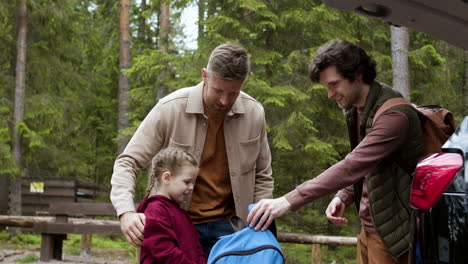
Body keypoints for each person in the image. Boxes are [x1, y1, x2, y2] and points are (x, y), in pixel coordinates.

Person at [247, 40, 425, 264]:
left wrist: (288, 200)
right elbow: (370, 163)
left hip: (394, 235)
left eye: (334, 85)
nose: (330, 94)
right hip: (370, 229)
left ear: (358, 75)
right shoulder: (360, 110)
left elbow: (353, 164)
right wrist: (345, 195)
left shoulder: (394, 116)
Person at [110, 42, 274, 255]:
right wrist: (126, 212)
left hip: (232, 231)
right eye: (218, 91)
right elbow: (127, 162)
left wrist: (258, 228)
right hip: (172, 229)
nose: (224, 101)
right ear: (205, 76)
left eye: (233, 93)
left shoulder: (254, 113)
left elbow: (262, 176)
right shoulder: (170, 108)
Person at [137, 148, 206, 264]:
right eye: (187, 182)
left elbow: (197, 248)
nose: (191, 187)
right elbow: (165, 251)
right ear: (167, 178)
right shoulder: (155, 210)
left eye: (193, 182)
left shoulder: (182, 213)